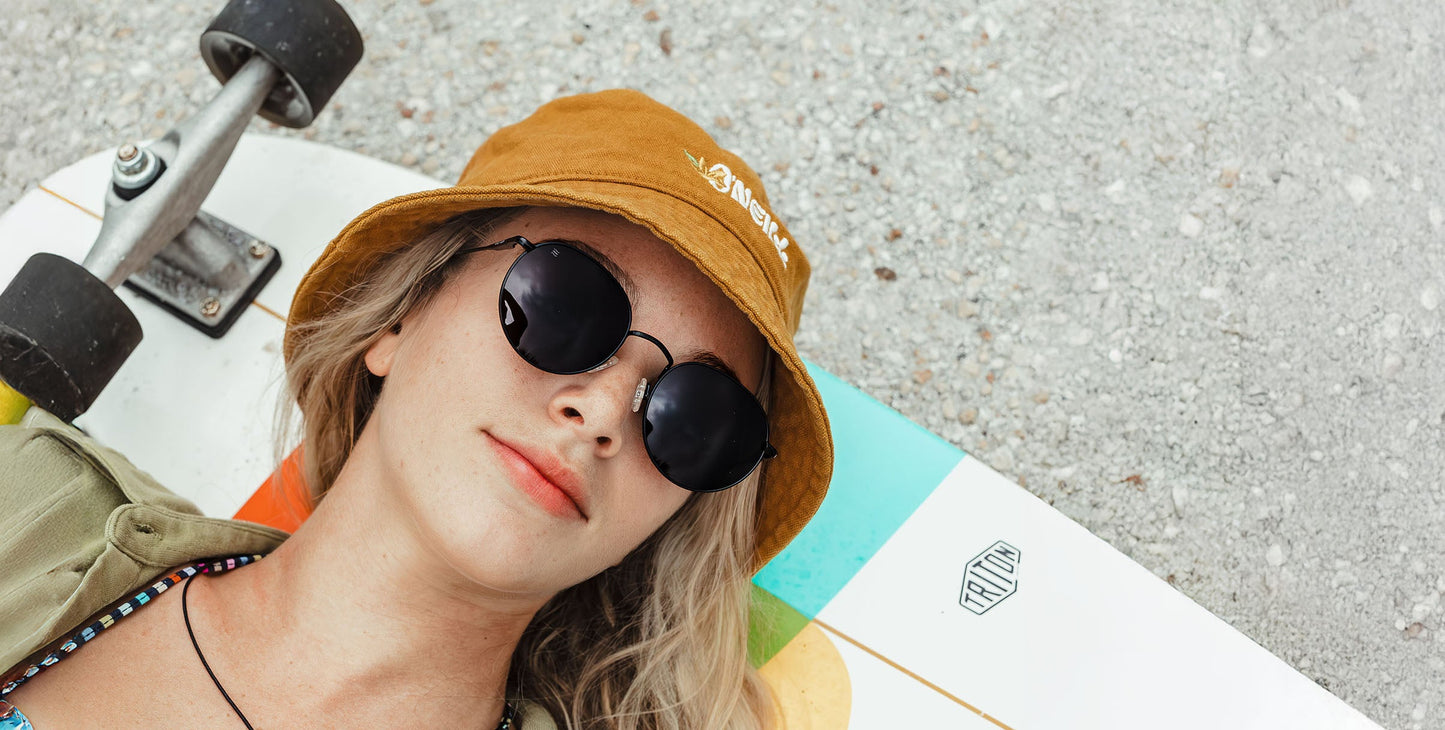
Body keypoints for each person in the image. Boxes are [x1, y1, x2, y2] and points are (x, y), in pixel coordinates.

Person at [0, 89, 833, 729]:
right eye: (565, 304)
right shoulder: (27, 504)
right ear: (398, 319)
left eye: (695, 417)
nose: (605, 410)